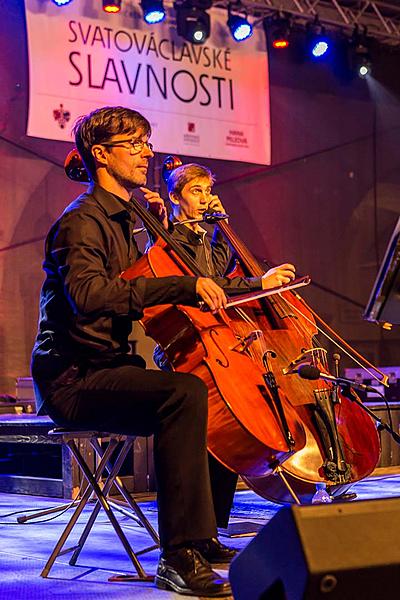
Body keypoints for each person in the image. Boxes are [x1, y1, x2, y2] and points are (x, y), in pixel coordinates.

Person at [31, 106, 240, 597]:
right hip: (72, 379)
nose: (148, 152)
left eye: (147, 141)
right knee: (183, 392)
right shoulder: (80, 223)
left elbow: (143, 283)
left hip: (110, 368)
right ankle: (178, 555)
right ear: (100, 156)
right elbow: (91, 296)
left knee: (198, 390)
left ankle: (199, 536)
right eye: (135, 144)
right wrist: (179, 287)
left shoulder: (127, 219)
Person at [150, 162, 296, 529]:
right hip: (186, 346)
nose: (203, 198)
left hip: (219, 344)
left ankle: (216, 522)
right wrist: (259, 283)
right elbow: (206, 286)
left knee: (229, 425)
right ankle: (196, 522)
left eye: (206, 190)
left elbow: (222, 281)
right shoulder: (169, 240)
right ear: (174, 196)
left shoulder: (213, 242)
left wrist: (221, 228)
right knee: (206, 432)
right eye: (194, 191)